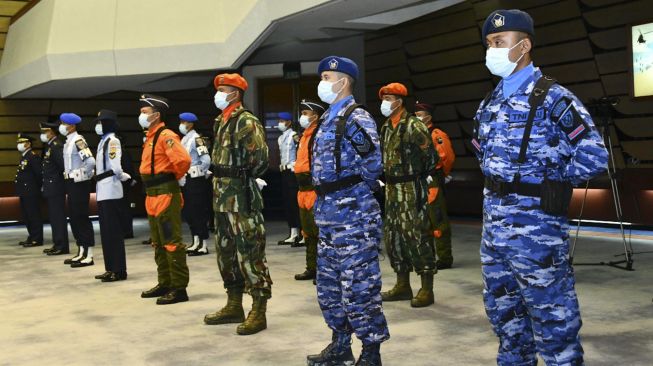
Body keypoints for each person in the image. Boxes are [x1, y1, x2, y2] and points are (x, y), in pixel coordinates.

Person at [473, 9, 609, 365]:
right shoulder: (490, 103)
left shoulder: (552, 97)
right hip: (495, 230)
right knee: (504, 316)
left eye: (499, 42)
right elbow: (482, 155)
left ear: (524, 45)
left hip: (537, 232)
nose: (492, 50)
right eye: (489, 43)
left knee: (553, 317)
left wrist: (551, 179)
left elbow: (593, 154)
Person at [307, 56, 388, 366]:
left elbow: (372, 166)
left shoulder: (357, 118)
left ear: (344, 81)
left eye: (328, 76)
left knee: (360, 286)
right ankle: (340, 345)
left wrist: (351, 193)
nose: (323, 82)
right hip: (328, 216)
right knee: (329, 285)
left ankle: (371, 352)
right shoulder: (328, 117)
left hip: (354, 216)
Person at [203, 73, 272, 336]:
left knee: (250, 252)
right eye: (218, 89)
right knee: (226, 253)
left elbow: (261, 158)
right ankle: (234, 304)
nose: (219, 94)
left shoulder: (246, 121)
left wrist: (244, 175)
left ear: (236, 93)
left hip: (241, 197)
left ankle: (259, 309)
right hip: (221, 197)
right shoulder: (221, 120)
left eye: (224, 89)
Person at [378, 83, 439, 308]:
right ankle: (402, 284)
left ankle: (426, 287)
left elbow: (431, 158)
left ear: (400, 101)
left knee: (417, 235)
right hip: (391, 190)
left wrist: (416, 176)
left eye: (389, 98)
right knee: (394, 237)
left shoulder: (414, 126)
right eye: (383, 98)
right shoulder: (386, 127)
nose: (385, 102)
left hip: (411, 188)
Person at [138, 94, 192, 305]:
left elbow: (183, 160)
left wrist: (174, 178)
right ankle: (165, 282)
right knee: (158, 243)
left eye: (144, 112)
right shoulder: (151, 136)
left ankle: (179, 288)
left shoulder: (166, 135)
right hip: (152, 194)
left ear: (156, 115)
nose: (141, 115)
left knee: (171, 242)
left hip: (165, 193)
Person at [414, 102, 455, 270]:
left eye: (420, 114)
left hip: (432, 181)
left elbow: (448, 157)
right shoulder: (415, 134)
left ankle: (445, 258)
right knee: (422, 221)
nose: (417, 117)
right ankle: (427, 256)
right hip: (419, 181)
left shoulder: (436, 134)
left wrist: (441, 175)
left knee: (438, 220)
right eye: (415, 114)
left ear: (429, 117)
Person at [93, 109, 131, 282]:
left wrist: (124, 177)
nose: (98, 125)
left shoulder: (113, 141)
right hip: (103, 189)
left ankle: (119, 270)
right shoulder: (103, 141)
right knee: (106, 232)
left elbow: (115, 167)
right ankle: (110, 268)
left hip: (111, 189)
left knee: (113, 232)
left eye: (101, 122)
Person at [293, 99, 326, 282]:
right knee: (307, 232)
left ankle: (323, 271)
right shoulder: (304, 135)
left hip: (314, 189)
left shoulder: (318, 135)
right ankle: (311, 268)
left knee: (319, 232)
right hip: (302, 189)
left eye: (306, 113)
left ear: (316, 116)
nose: (303, 116)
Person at [60, 113, 96, 267]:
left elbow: (90, 161)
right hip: (70, 183)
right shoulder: (68, 141)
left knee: (81, 217)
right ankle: (81, 250)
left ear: (72, 126)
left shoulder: (79, 141)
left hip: (79, 183)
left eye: (63, 123)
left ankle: (89, 254)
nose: (61, 126)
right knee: (74, 217)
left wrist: (82, 176)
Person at [178, 112, 212, 256]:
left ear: (190, 124)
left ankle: (203, 244)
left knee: (198, 212)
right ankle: (195, 241)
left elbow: (206, 159)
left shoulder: (197, 139)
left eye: (183, 122)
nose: (181, 125)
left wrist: (200, 172)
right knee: (189, 212)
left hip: (196, 179)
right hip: (186, 179)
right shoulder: (184, 139)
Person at [40, 120, 69, 256]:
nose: (43, 134)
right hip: (51, 187)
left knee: (58, 217)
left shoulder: (56, 146)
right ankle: (57, 243)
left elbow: (62, 166)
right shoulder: (50, 146)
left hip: (56, 187)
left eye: (45, 131)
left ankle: (62, 245)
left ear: (51, 132)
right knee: (54, 217)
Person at [276, 111, 302, 246]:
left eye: (282, 121)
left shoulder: (294, 136)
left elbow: (300, 153)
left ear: (289, 122)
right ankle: (293, 232)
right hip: (284, 172)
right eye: (279, 120)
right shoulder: (281, 138)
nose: (280, 123)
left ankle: (301, 233)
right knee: (288, 202)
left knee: (295, 201)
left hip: (293, 172)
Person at [15, 134, 43, 248]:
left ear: (28, 144)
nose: (19, 145)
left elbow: (38, 174)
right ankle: (32, 236)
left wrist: (37, 189)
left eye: (22, 142)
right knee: (27, 216)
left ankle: (37, 238)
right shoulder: (25, 156)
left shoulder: (33, 156)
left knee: (33, 215)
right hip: (24, 191)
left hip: (31, 191)